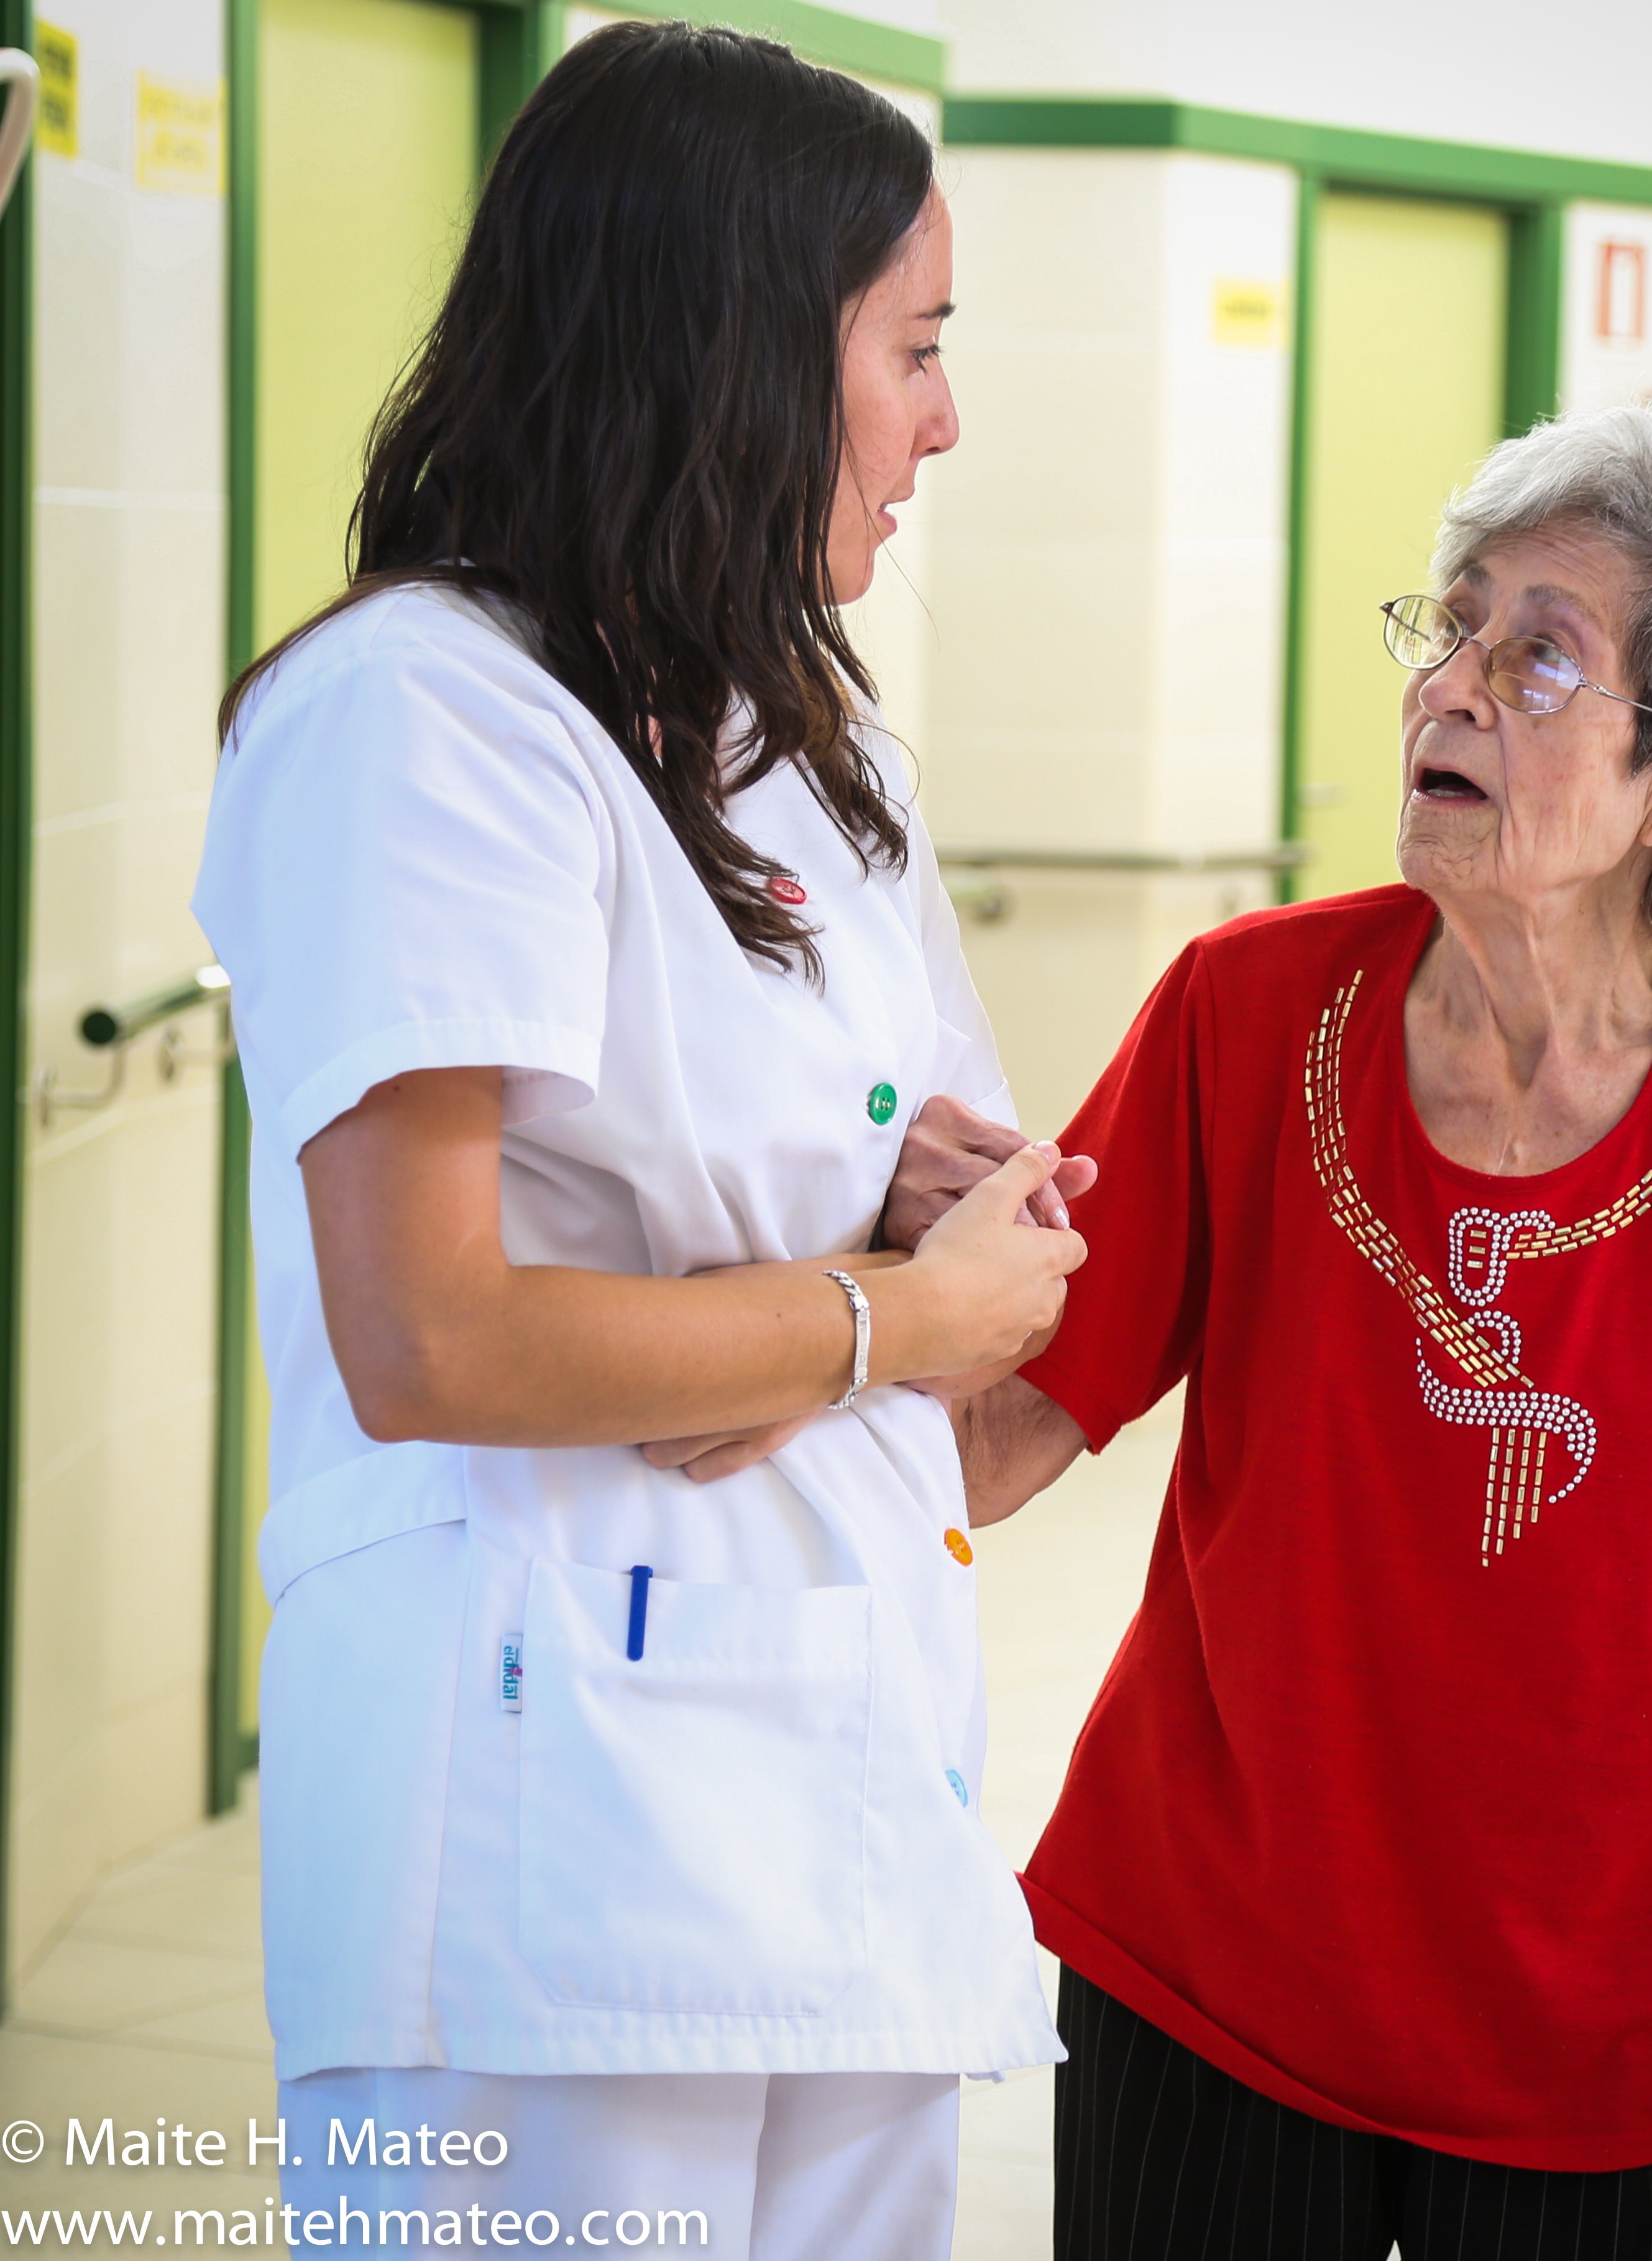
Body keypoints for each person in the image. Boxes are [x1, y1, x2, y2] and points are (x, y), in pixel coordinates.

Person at [191, 25, 1086, 2259]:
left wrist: (849, 1284)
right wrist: (870, 1318)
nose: (946, 421)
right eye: (914, 350)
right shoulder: (423, 715)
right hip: (540, 1834)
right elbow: (433, 1336)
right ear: (739, 349)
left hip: (839, 1797)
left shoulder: (794, 734)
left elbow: (983, 1228)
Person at [933, 403, 1652, 2260]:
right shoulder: (1246, 1007)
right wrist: (815, 1310)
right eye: (1456, 621)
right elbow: (998, 1440)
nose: (1452, 688)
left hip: (1613, 2048)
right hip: (1209, 1968)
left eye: (1541, 656)